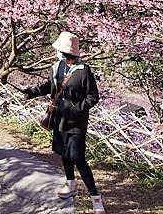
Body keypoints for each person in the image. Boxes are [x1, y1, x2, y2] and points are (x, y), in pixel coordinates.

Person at [24, 31, 106, 213]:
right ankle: (70, 184)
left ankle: (95, 197)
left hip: (76, 122)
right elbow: (48, 86)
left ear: (64, 52)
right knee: (63, 153)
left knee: (77, 157)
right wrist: (31, 92)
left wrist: (76, 108)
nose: (56, 53)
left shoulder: (84, 71)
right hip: (59, 119)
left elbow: (93, 97)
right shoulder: (56, 68)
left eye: (58, 50)